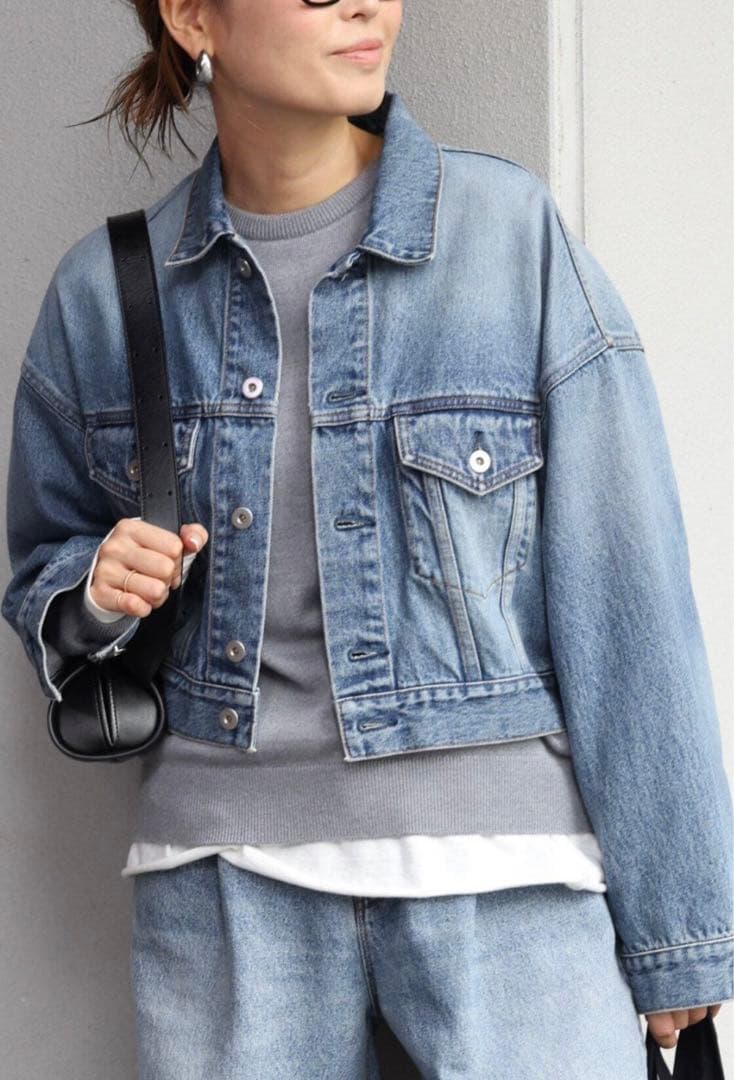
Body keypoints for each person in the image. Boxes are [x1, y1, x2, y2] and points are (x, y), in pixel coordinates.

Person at [2, 1, 731, 1077]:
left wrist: (680, 931)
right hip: (225, 895)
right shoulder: (107, 293)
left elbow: (628, 601)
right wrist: (94, 592)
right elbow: (43, 565)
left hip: (504, 889)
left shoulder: (506, 237)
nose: (363, 4)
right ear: (193, 16)